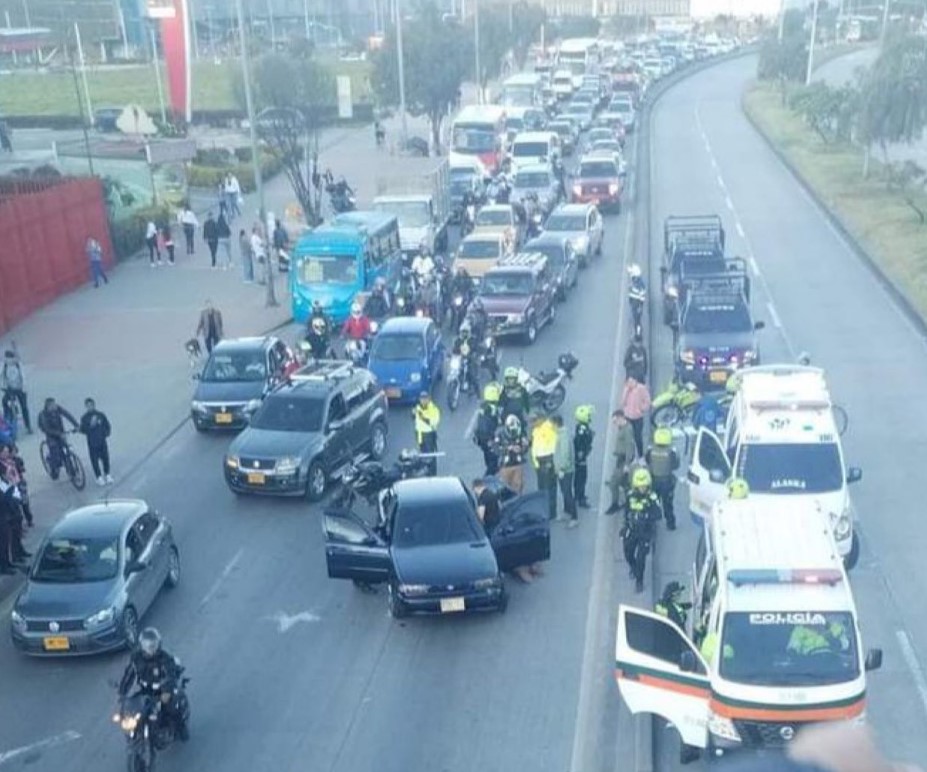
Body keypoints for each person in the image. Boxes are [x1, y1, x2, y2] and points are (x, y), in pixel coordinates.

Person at [118, 628, 189, 742]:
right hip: (146, 690)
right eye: (147, 646)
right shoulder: (136, 658)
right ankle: (138, 731)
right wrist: (122, 692)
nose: (150, 650)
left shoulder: (165, 658)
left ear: (158, 644)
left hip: (164, 690)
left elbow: (170, 675)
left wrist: (166, 691)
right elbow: (129, 674)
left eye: (153, 646)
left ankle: (181, 728)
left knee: (172, 707)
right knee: (135, 709)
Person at [622, 467, 663, 593]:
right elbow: (626, 511)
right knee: (627, 553)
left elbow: (658, 514)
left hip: (645, 532)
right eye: (640, 486)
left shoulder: (652, 497)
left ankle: (639, 581)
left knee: (641, 558)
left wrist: (646, 515)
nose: (642, 489)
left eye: (645, 486)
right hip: (632, 530)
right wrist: (625, 526)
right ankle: (634, 568)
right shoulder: (630, 496)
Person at [645, 427, 680, 530]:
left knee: (652, 502)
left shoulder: (651, 449)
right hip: (667, 481)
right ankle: (671, 524)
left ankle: (651, 523)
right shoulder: (671, 451)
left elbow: (647, 461)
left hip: (654, 480)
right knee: (668, 504)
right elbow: (676, 465)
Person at [37, 398, 79, 480]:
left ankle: (70, 469)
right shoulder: (43, 415)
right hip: (51, 435)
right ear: (48, 406)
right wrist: (59, 434)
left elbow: (67, 415)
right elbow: (46, 428)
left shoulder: (57, 408)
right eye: (52, 405)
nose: (54, 406)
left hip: (60, 432)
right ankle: (53, 468)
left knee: (66, 449)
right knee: (55, 453)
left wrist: (76, 425)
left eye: (54, 404)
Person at [606, 409, 637, 515]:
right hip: (621, 458)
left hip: (623, 460)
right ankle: (628, 502)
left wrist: (627, 464)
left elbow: (629, 447)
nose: (614, 424)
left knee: (613, 484)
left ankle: (615, 504)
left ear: (621, 418)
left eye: (615, 421)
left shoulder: (627, 430)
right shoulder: (623, 427)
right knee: (624, 483)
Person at [530, 413, 558, 521]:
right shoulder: (537, 429)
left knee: (547, 488)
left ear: (540, 419)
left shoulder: (548, 428)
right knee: (543, 487)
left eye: (534, 421)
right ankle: (547, 510)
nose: (532, 424)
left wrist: (550, 461)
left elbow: (553, 445)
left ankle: (550, 512)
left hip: (546, 461)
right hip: (540, 463)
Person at [552, 414, 578, 527]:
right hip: (562, 470)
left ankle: (574, 517)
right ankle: (567, 511)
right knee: (564, 491)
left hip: (566, 470)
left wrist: (562, 468)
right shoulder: (560, 434)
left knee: (567, 493)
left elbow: (565, 454)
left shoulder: (563, 437)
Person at [79, 398, 113, 486]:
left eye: (91, 405)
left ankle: (107, 474)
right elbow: (83, 430)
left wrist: (106, 433)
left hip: (102, 441)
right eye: (88, 406)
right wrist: (91, 425)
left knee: (105, 458)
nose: (90, 407)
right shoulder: (84, 418)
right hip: (92, 442)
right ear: (86, 407)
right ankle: (98, 477)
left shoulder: (100, 415)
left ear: (94, 405)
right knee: (94, 460)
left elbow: (107, 425)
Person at [494, 414, 529, 493]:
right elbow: (496, 449)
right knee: (505, 488)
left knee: (518, 487)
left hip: (517, 464)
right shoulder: (499, 434)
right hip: (505, 466)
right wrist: (508, 449)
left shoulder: (521, 433)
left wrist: (522, 448)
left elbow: (525, 448)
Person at [474, 382, 502, 476]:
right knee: (493, 463)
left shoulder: (484, 406)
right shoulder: (492, 408)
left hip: (481, 438)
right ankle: (486, 481)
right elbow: (497, 421)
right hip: (489, 438)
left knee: (488, 459)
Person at [1, 347, 31, 434]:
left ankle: (28, 426)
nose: (8, 360)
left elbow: (24, 377)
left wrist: (24, 387)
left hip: (20, 388)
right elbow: (2, 376)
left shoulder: (18, 365)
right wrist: (4, 387)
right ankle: (8, 416)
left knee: (24, 407)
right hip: (10, 389)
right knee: (4, 401)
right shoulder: (4, 365)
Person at [621, 375, 651, 457]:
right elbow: (623, 402)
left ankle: (641, 455)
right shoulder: (626, 389)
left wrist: (642, 409)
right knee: (629, 438)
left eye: (631, 381)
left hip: (638, 417)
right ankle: (631, 455)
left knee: (638, 437)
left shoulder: (641, 389)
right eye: (628, 382)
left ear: (635, 380)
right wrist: (626, 391)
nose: (630, 384)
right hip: (628, 417)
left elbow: (647, 401)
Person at [413, 392, 440, 476]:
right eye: (422, 399)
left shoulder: (433, 409)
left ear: (429, 399)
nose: (423, 401)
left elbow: (434, 423)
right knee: (423, 455)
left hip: (429, 436)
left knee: (430, 455)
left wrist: (423, 417)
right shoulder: (418, 407)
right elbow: (414, 418)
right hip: (420, 435)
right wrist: (413, 414)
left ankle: (432, 474)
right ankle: (425, 472)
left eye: (425, 399)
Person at [573, 405, 595, 509]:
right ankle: (580, 498)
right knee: (581, 478)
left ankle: (578, 495)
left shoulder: (581, 427)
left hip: (581, 457)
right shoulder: (582, 429)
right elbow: (580, 442)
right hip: (581, 459)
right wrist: (581, 455)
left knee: (580, 478)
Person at [451, 321, 481, 396]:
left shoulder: (472, 340)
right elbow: (454, 350)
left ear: (469, 332)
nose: (464, 334)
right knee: (454, 370)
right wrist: (451, 355)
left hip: (470, 360)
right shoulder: (457, 340)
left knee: (472, 375)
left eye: (466, 332)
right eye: (463, 332)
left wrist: (474, 354)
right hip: (460, 359)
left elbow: (476, 349)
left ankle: (478, 392)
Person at [627, 263, 646, 333]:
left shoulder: (640, 283)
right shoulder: (634, 281)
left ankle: (638, 334)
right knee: (635, 319)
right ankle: (636, 333)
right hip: (634, 304)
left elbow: (642, 296)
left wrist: (640, 306)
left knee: (637, 320)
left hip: (637, 304)